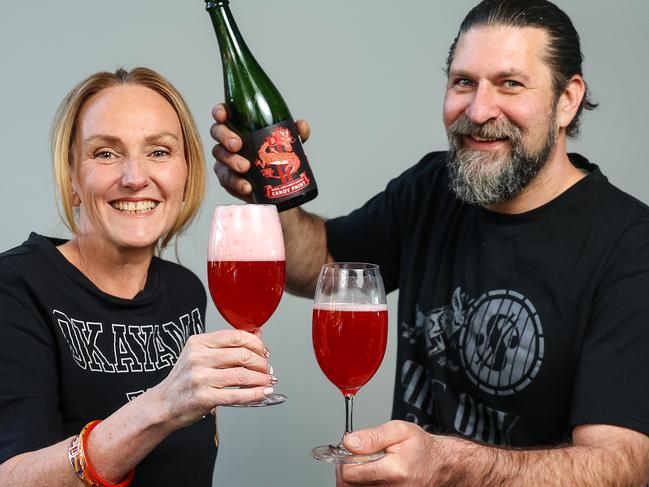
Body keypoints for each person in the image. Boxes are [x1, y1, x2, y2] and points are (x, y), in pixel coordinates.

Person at [211, 0, 649, 485]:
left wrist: (449, 465)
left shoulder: (631, 247)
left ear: (567, 100)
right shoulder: (430, 187)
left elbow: (618, 466)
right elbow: (319, 267)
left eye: (510, 83)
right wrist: (273, 191)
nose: (479, 110)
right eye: (464, 82)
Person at [0, 67, 277, 487]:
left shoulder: (185, 291)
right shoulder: (16, 287)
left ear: (186, 175)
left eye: (160, 152)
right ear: (73, 177)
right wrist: (162, 405)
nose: (134, 177)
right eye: (106, 153)